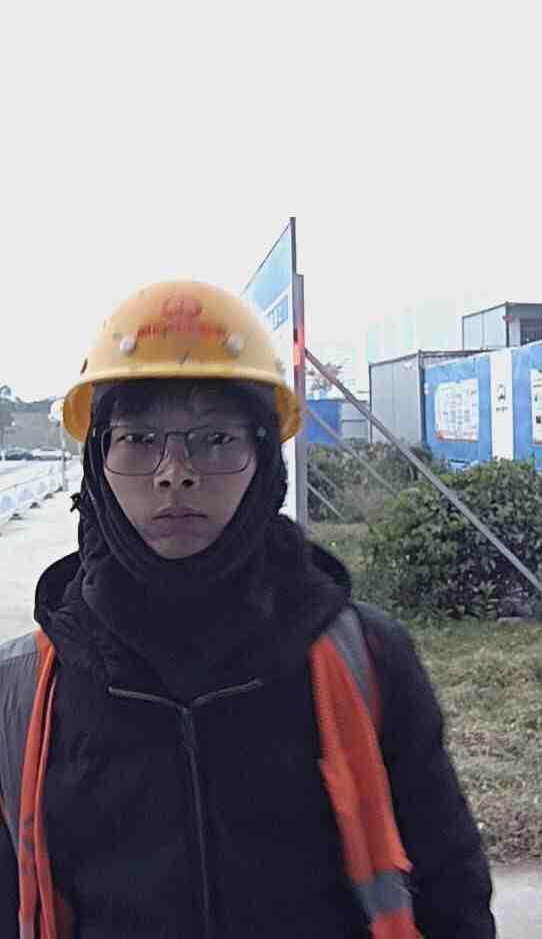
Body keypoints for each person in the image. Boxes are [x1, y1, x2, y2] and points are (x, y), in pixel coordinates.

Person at [0, 280, 496, 937]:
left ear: (264, 457)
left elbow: (451, 890)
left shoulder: (367, 659)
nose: (174, 472)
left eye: (214, 438)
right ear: (97, 461)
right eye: (139, 438)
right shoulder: (22, 690)